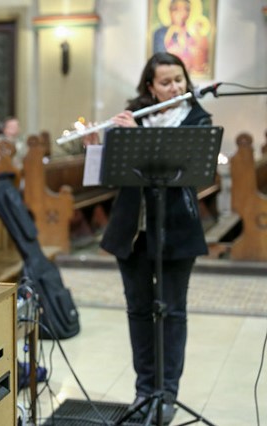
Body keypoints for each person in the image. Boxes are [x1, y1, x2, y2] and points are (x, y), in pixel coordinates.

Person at [85, 52, 211, 424]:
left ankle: (167, 393)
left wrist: (137, 138)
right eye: (166, 82)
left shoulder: (197, 119)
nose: (175, 87)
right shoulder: (132, 117)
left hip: (177, 231)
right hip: (132, 232)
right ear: (150, 87)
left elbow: (189, 174)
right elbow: (106, 178)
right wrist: (96, 148)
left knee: (172, 312)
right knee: (139, 311)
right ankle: (144, 390)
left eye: (179, 80)